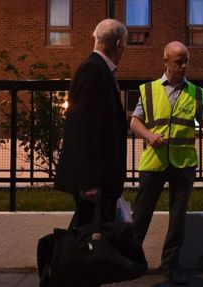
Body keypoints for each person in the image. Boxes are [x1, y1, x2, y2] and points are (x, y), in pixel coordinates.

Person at [130, 41, 203, 285]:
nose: (183, 66)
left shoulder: (196, 92)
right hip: (154, 161)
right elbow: (134, 122)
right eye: (178, 62)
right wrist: (149, 136)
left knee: (178, 216)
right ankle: (130, 262)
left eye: (186, 61)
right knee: (141, 214)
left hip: (183, 162)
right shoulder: (148, 90)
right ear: (165, 62)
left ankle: (170, 265)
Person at [55, 19, 128, 225]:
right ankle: (61, 258)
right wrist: (89, 182)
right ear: (119, 44)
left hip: (98, 178)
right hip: (96, 180)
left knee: (89, 235)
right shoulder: (95, 71)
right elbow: (85, 127)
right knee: (88, 237)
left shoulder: (95, 69)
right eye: (125, 46)